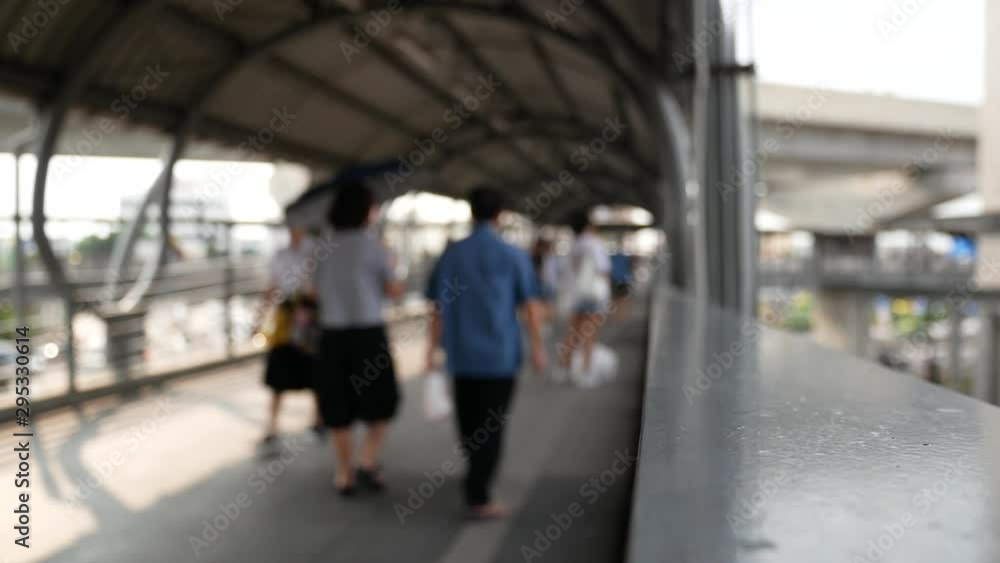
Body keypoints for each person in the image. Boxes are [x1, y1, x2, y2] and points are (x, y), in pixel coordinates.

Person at [425, 187, 547, 520]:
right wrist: (538, 347)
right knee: (492, 425)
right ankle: (478, 493)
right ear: (500, 215)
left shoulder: (452, 255)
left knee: (468, 420)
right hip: (499, 356)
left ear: (471, 213)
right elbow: (531, 306)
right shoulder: (512, 255)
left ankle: (474, 475)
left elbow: (436, 307)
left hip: (462, 355)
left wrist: (430, 350)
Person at [311, 182, 404, 496]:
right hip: (368, 335)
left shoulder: (322, 247)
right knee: (382, 402)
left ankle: (344, 472)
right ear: (366, 211)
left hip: (332, 336)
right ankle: (368, 459)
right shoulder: (375, 247)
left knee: (338, 406)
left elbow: (312, 291)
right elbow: (394, 290)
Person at [259, 226, 323, 444]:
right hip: (285, 319)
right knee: (278, 373)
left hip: (309, 316)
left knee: (314, 369)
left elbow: (323, 286)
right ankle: (272, 425)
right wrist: (260, 317)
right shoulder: (280, 254)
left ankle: (318, 417)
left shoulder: (316, 251)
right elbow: (271, 287)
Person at [558, 210, 611, 377]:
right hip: (593, 295)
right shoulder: (594, 243)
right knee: (590, 334)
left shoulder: (575, 245)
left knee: (573, 332)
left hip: (576, 294)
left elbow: (567, 272)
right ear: (588, 225)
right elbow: (603, 268)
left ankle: (563, 368)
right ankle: (586, 371)